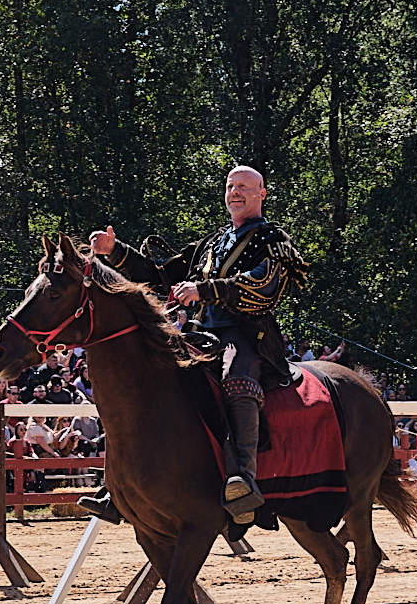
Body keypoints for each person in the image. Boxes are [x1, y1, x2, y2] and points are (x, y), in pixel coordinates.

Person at [84, 165, 308, 524]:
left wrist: (203, 290)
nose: (234, 192)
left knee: (236, 378)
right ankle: (120, 485)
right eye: (230, 186)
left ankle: (244, 480)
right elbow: (161, 276)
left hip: (246, 335)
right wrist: (116, 251)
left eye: (244, 187)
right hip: (200, 333)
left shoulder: (274, 240)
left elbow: (264, 285)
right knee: (148, 377)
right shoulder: (211, 243)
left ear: (262, 194)